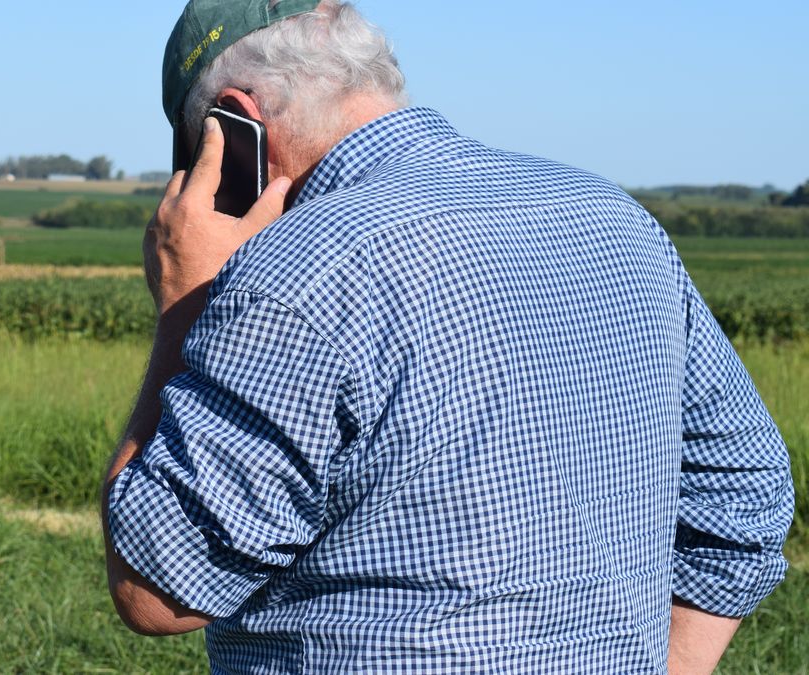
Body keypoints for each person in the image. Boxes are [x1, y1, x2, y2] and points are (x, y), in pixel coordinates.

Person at [101, 1, 795, 672]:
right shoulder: (615, 219)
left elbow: (158, 586)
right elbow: (747, 491)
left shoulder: (296, 272)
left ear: (237, 124)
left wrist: (184, 304)